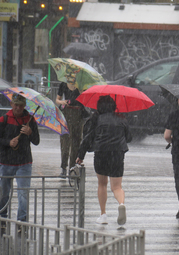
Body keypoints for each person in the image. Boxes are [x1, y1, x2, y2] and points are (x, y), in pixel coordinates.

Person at [76, 95, 132, 225]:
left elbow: (87, 138)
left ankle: (103, 215)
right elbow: (129, 138)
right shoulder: (122, 118)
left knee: (102, 184)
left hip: (101, 153)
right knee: (117, 187)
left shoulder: (96, 119)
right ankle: (121, 203)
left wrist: (80, 155)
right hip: (117, 154)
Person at [0, 94, 40, 227]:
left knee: (23, 193)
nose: (18, 108)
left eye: (20, 105)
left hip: (24, 163)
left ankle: (21, 222)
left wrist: (30, 133)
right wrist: (8, 142)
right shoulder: (3, 119)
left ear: (24, 106)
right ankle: (2, 218)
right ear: (12, 104)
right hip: (6, 163)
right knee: (4, 193)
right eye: (15, 105)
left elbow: (36, 141)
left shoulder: (30, 120)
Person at [56, 82, 85, 177]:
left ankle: (72, 167)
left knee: (76, 141)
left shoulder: (81, 84)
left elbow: (85, 99)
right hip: (66, 113)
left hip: (78, 114)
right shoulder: (63, 84)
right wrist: (62, 102)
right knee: (65, 141)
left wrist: (81, 91)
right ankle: (63, 167)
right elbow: (57, 100)